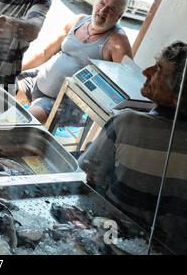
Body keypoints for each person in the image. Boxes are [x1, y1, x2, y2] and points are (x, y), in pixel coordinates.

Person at [78, 41, 187, 254]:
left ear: (177, 98)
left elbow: (91, 177)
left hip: (114, 237)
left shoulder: (126, 123)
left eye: (158, 70)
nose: (145, 71)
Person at [16, 0, 133, 124]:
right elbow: (45, 53)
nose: (103, 10)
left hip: (60, 104)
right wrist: (17, 70)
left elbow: (126, 85)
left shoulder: (118, 41)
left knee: (17, 121)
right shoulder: (79, 20)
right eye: (102, 3)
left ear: (119, 16)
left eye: (111, 9)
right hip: (36, 81)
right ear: (96, 2)